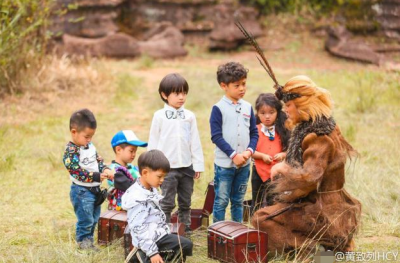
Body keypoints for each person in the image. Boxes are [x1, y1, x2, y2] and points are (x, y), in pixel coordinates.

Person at [252, 75, 361, 258]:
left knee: (261, 219)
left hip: (320, 209)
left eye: (289, 106)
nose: (285, 110)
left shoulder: (318, 136)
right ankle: (331, 246)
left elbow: (309, 178)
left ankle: (314, 252)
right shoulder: (320, 125)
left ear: (301, 105)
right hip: (319, 202)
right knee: (273, 212)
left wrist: (283, 169)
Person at [147, 73, 204, 232]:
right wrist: (152, 166)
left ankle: (184, 231)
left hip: (187, 167)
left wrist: (197, 165)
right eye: (177, 93)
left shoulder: (189, 116)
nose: (181, 97)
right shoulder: (159, 116)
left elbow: (195, 141)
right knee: (166, 201)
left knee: (186, 201)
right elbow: (153, 141)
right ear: (164, 95)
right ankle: (164, 231)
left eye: (184, 93)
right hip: (167, 168)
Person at [122, 150, 193, 263]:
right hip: (146, 239)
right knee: (181, 246)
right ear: (145, 173)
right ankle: (140, 255)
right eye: (159, 176)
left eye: (164, 176)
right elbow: (138, 229)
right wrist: (153, 253)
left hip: (157, 234)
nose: (162, 180)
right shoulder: (138, 198)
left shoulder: (150, 187)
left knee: (186, 245)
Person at [210, 62, 259, 223]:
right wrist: (233, 155)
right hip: (225, 166)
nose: (242, 89)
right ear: (224, 86)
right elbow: (216, 137)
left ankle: (237, 232)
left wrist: (248, 152)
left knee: (238, 201)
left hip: (244, 165)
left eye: (244, 84)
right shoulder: (218, 108)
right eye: (236, 85)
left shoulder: (248, 107)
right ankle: (218, 233)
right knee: (222, 200)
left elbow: (254, 133)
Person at [63, 108, 114, 250]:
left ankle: (89, 240)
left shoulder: (90, 146)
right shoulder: (71, 152)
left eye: (91, 136)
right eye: (86, 136)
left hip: (95, 190)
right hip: (81, 191)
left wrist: (105, 169)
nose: (89, 140)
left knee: (94, 217)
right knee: (86, 219)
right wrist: (96, 176)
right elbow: (76, 172)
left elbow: (98, 161)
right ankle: (83, 243)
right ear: (74, 132)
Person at [251, 93, 290, 214]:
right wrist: (262, 156)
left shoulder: (283, 130)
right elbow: (250, 150)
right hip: (258, 170)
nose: (267, 117)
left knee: (273, 198)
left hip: (276, 172)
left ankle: (271, 219)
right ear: (258, 113)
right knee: (256, 196)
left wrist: (283, 155)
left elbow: (290, 149)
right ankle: (255, 219)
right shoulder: (255, 129)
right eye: (263, 113)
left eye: (271, 112)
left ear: (278, 112)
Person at [107, 130, 148, 210]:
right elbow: (129, 186)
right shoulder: (113, 170)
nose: (134, 154)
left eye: (135, 151)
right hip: (119, 213)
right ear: (118, 150)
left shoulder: (132, 167)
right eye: (131, 151)